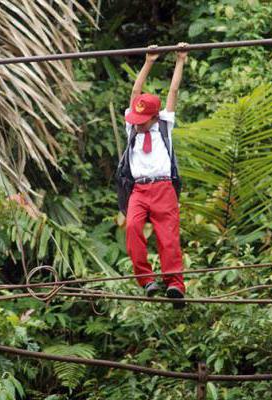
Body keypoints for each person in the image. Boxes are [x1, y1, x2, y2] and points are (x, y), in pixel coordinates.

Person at [115, 43, 188, 309]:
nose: (136, 122)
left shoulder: (165, 126)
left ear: (155, 118)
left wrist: (180, 60)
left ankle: (175, 286)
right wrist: (148, 61)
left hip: (164, 189)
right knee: (133, 229)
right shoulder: (132, 129)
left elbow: (173, 90)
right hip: (139, 190)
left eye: (142, 119)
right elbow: (136, 92)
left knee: (168, 237)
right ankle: (146, 280)